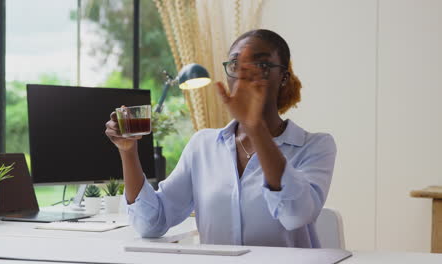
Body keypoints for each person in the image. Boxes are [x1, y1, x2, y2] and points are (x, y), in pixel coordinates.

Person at [105, 29, 337, 248]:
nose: (246, 75)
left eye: (261, 65)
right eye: (236, 65)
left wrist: (255, 127)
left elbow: (295, 215)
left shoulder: (315, 146)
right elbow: (151, 222)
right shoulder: (202, 145)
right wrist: (128, 151)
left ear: (283, 77)